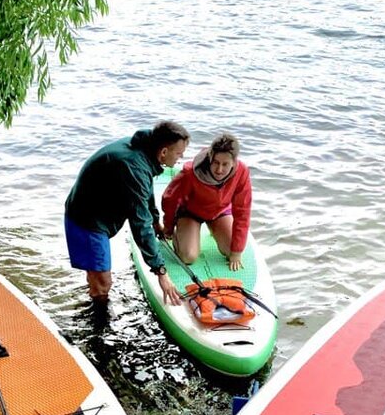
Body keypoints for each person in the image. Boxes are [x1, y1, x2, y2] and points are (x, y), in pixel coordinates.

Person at [64, 119, 189, 309]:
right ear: (163, 152)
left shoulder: (146, 150)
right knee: (103, 284)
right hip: (87, 220)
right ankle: (97, 329)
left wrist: (156, 222)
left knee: (97, 277)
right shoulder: (135, 166)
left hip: (94, 210)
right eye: (179, 153)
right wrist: (161, 272)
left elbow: (145, 191)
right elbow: (140, 225)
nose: (181, 157)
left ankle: (93, 293)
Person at [161, 133, 251, 272]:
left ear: (234, 162)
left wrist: (236, 251)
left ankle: (213, 228)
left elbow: (243, 211)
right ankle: (183, 232)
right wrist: (168, 227)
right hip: (191, 213)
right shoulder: (191, 172)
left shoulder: (242, 172)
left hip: (219, 212)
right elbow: (170, 199)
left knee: (231, 250)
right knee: (188, 257)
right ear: (210, 158)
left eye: (225, 164)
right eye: (216, 162)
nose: (219, 170)